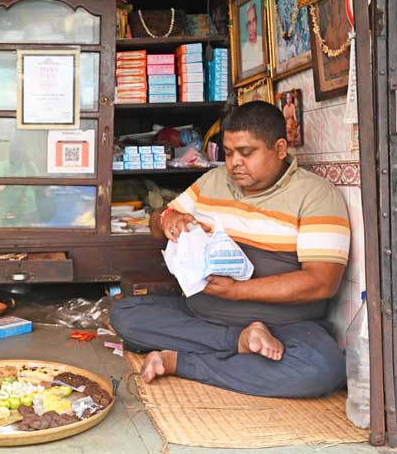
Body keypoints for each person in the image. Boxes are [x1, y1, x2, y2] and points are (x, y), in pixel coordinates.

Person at [111, 102, 350, 398]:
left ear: (279, 148)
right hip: (204, 316)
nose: (235, 163)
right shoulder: (214, 180)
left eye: (247, 153)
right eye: (228, 152)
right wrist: (168, 219)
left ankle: (179, 361)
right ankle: (240, 341)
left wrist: (238, 291)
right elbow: (156, 224)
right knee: (125, 314)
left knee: (320, 368)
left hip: (285, 326)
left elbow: (321, 283)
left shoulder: (316, 196)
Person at [239, 1, 263, 74]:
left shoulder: (264, 42)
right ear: (246, 26)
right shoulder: (243, 52)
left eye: (254, 21)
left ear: (257, 21)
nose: (252, 27)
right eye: (249, 23)